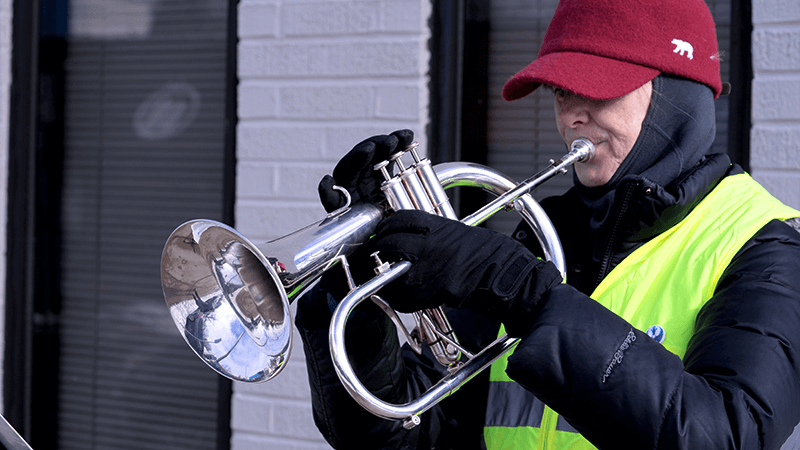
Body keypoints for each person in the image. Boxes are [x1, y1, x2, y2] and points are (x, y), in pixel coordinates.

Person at [295, 0, 800, 448]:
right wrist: (356, 300)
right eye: (561, 91)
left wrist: (527, 295)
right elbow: (416, 434)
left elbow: (727, 433)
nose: (571, 117)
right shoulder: (541, 237)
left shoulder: (767, 248)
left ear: (674, 96)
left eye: (596, 89)